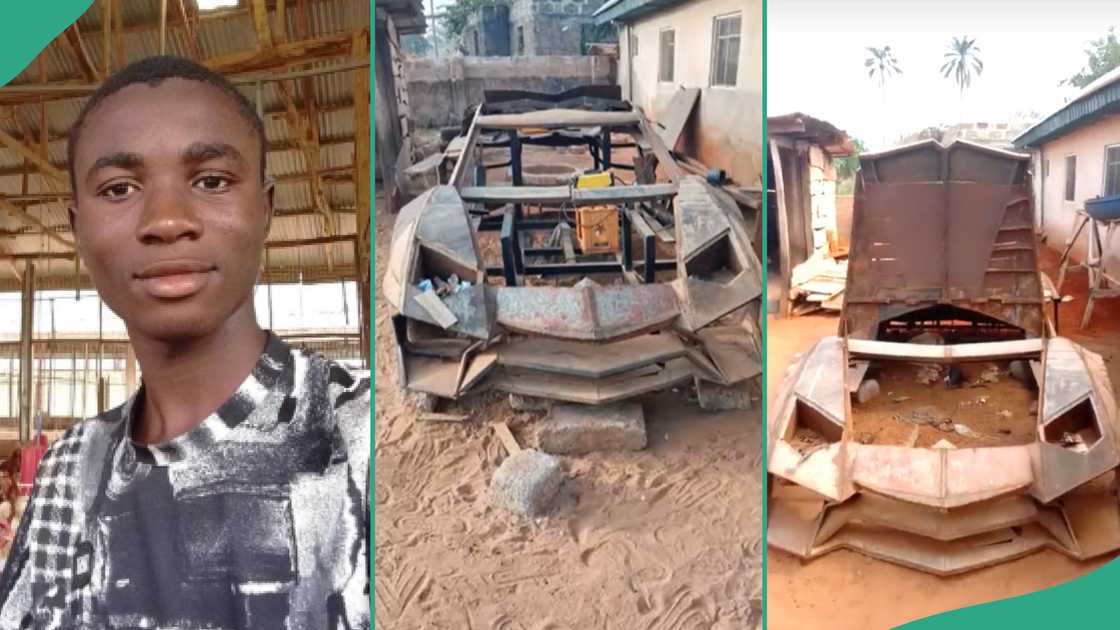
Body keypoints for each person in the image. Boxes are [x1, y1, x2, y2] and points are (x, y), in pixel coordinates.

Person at [0, 56, 370, 629]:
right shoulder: (69, 470)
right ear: (76, 230)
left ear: (265, 209)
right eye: (120, 188)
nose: (167, 220)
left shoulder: (361, 436)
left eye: (211, 181)